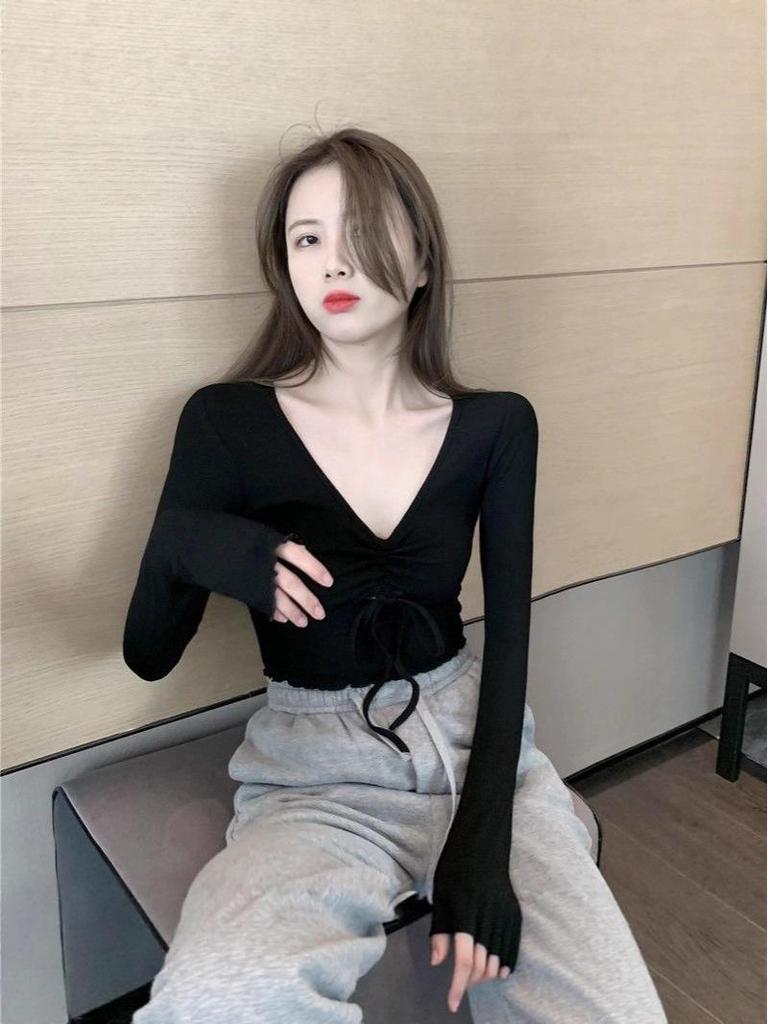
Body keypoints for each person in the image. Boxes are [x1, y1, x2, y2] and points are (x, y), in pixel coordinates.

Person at [124, 126, 668, 1022]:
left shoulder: (497, 426)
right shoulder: (225, 422)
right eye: (306, 238)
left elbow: (512, 643)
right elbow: (147, 654)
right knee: (214, 1002)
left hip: (477, 748)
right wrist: (195, 546)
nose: (332, 261)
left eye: (363, 230)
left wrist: (482, 845)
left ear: (421, 262)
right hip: (313, 779)